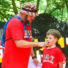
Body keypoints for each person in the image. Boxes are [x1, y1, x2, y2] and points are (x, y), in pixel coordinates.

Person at [2, 2, 45, 68]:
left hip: (23, 64)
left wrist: (33, 57)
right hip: (11, 65)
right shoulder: (15, 22)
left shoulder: (27, 24)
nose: (33, 18)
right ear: (23, 14)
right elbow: (19, 43)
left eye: (33, 16)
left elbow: (28, 42)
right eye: (31, 16)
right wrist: (38, 43)